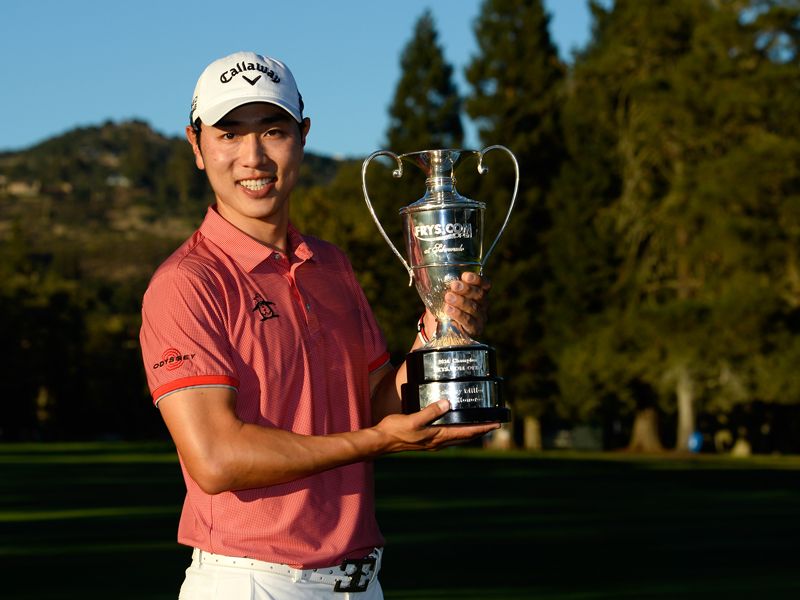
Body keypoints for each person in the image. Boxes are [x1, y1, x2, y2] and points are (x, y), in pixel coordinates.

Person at [139, 51, 498, 600]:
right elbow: (216, 459)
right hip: (251, 581)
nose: (252, 157)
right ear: (196, 145)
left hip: (360, 581)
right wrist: (377, 441)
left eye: (273, 130)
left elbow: (376, 401)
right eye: (229, 134)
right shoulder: (188, 282)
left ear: (302, 136)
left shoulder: (329, 264)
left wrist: (438, 332)